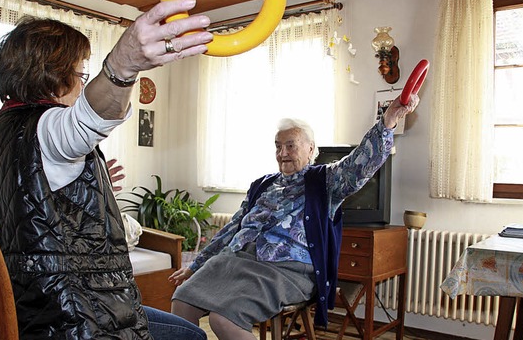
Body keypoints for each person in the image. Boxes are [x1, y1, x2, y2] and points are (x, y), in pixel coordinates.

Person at [0, 0, 213, 340]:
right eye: (81, 75)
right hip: (70, 316)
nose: (82, 84)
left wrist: (83, 183)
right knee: (193, 336)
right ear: (53, 77)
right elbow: (86, 120)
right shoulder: (46, 127)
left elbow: (30, 205)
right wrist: (123, 64)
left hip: (13, 314)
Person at [169, 95, 419, 339]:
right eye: (278, 146)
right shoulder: (262, 185)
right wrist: (196, 264)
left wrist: (388, 121)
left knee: (222, 318)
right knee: (183, 300)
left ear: (310, 149)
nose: (282, 153)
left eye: (291, 145)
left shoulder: (325, 180)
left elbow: (358, 164)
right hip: (239, 260)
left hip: (289, 271)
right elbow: (231, 228)